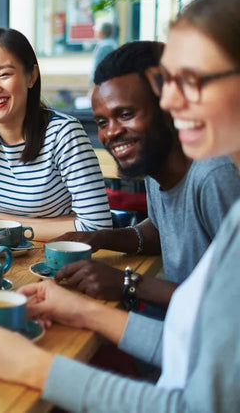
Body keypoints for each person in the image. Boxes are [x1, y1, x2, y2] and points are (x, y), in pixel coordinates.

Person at [0, 0, 240, 410]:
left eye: (192, 80)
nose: (171, 100)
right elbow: (191, 345)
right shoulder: (165, 173)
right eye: (168, 83)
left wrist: (35, 367)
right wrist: (85, 304)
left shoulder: (215, 176)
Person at [52, 41, 240, 307]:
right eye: (102, 122)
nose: (111, 132)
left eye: (126, 114)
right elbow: (160, 230)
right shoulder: (157, 166)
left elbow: (231, 305)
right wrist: (99, 238)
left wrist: (128, 284)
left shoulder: (215, 176)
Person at [0, 28, 112, 241]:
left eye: (4, 75)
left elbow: (97, 227)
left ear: (31, 76)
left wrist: (5, 225)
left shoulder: (64, 134)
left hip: (60, 258)